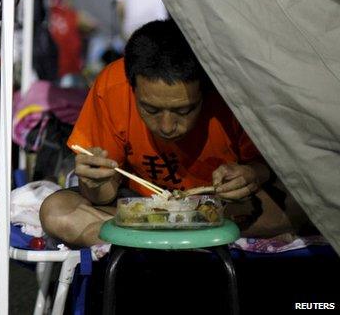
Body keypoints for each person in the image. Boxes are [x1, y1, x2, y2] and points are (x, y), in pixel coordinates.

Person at [39, 19, 309, 246]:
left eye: (184, 111)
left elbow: (269, 167)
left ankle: (142, 243)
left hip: (224, 209)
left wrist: (250, 175)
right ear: (131, 85)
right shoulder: (112, 86)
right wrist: (94, 185)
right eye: (151, 110)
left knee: (304, 205)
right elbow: (103, 196)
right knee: (56, 212)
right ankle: (189, 241)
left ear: (206, 90)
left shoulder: (232, 93)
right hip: (139, 210)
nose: (167, 126)